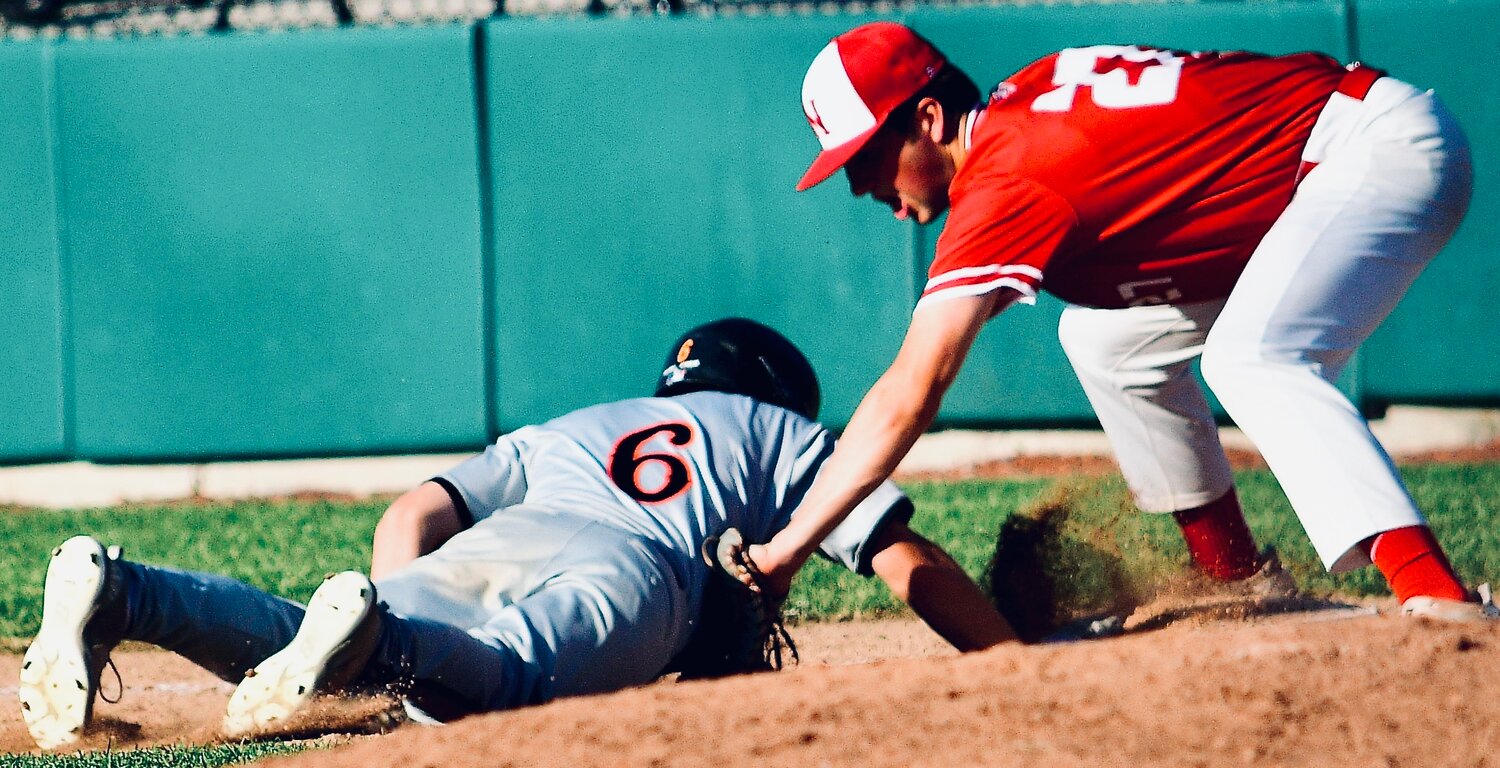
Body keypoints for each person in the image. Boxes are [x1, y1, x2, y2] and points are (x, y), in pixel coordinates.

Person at [747, 22, 1496, 621]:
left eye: (865, 155)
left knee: (1254, 357)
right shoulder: (1021, 110)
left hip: (1369, 154)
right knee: (1104, 340)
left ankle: (1434, 591)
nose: (856, 183)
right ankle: (1238, 581)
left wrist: (781, 556)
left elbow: (910, 392)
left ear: (929, 118)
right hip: (1321, 162)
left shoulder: (1007, 174)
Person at [18, 317, 1015, 751]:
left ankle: (126, 591)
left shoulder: (579, 422)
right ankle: (388, 644)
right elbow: (904, 560)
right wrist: (1013, 665)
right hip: (641, 570)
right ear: (771, 393)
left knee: (316, 643)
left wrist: (396, 602)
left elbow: (413, 513)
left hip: (509, 531)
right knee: (505, 681)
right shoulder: (787, 432)